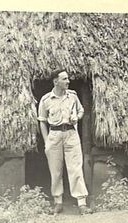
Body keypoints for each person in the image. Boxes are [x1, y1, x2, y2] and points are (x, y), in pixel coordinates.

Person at [37, 69, 92, 215]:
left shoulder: (73, 96)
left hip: (71, 134)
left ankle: (82, 203)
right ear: (56, 81)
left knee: (75, 168)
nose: (68, 81)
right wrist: (46, 141)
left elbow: (81, 110)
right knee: (56, 170)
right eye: (65, 79)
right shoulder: (46, 100)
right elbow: (42, 121)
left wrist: (77, 118)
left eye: (68, 79)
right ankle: (58, 202)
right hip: (54, 135)